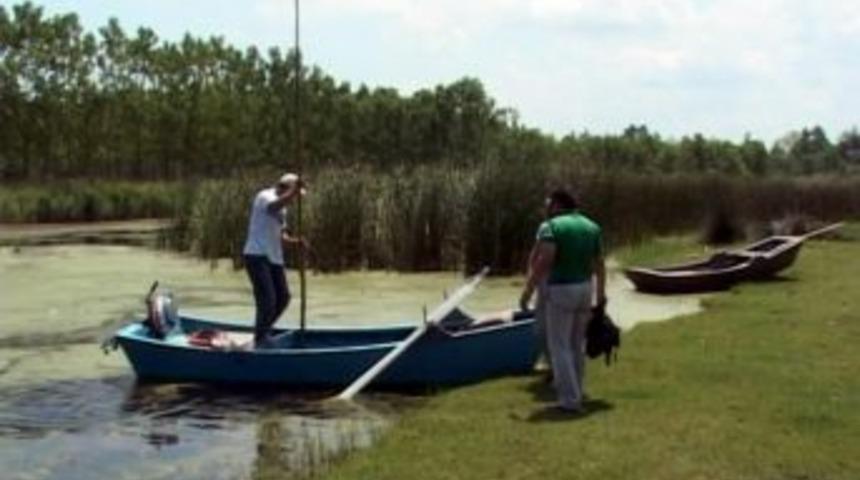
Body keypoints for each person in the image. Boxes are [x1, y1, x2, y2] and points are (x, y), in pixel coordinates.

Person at [520, 188, 606, 413]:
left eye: (549, 204)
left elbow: (545, 260)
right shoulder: (591, 226)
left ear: (558, 205)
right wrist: (601, 294)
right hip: (585, 289)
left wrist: (528, 290)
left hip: (561, 290)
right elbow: (599, 264)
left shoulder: (552, 227)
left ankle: (570, 401)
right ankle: (577, 392)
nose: (547, 209)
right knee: (577, 345)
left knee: (559, 346)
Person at [242, 172, 306, 347]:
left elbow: (281, 236)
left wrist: (296, 242)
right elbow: (272, 208)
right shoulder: (265, 196)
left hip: (274, 258)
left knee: (283, 297)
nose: (294, 200)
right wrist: (294, 190)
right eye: (293, 195)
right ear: (285, 187)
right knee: (268, 298)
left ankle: (262, 331)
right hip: (257, 255)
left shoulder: (283, 209)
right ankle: (261, 338)